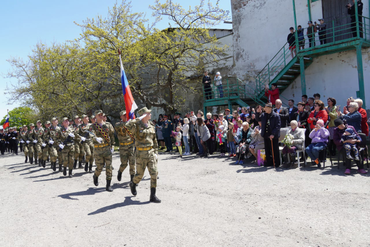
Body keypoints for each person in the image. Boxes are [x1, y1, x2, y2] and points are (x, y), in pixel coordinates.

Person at [127, 107, 160, 203]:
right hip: (140, 154)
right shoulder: (136, 125)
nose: (150, 114)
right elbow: (127, 126)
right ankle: (133, 183)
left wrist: (156, 152)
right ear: (143, 115)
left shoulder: (151, 125)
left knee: (154, 173)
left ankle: (152, 196)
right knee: (139, 175)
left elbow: (154, 140)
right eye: (148, 113)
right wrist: (138, 119)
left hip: (150, 153)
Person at [90, 110, 115, 192]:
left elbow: (111, 136)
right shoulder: (93, 126)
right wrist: (95, 138)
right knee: (99, 167)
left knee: (109, 167)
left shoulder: (108, 125)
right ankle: (95, 176)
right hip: (98, 150)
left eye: (101, 114)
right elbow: (91, 134)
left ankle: (108, 185)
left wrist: (113, 145)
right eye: (99, 115)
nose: (101, 116)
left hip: (107, 149)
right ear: (95, 116)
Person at [115, 110, 135, 182]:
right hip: (123, 147)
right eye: (124, 115)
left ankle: (132, 179)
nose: (125, 116)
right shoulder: (118, 125)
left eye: (126, 115)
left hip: (131, 146)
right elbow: (122, 125)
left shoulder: (130, 124)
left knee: (132, 163)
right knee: (124, 164)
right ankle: (120, 171)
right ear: (121, 116)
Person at [260, 103, 281, 167]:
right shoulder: (263, 115)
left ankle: (276, 162)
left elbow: (277, 126)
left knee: (275, 149)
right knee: (267, 149)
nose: (265, 109)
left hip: (273, 135)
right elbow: (258, 119)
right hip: (266, 134)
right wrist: (258, 113)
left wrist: (273, 134)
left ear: (270, 108)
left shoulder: (276, 116)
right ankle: (269, 162)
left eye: (266, 108)